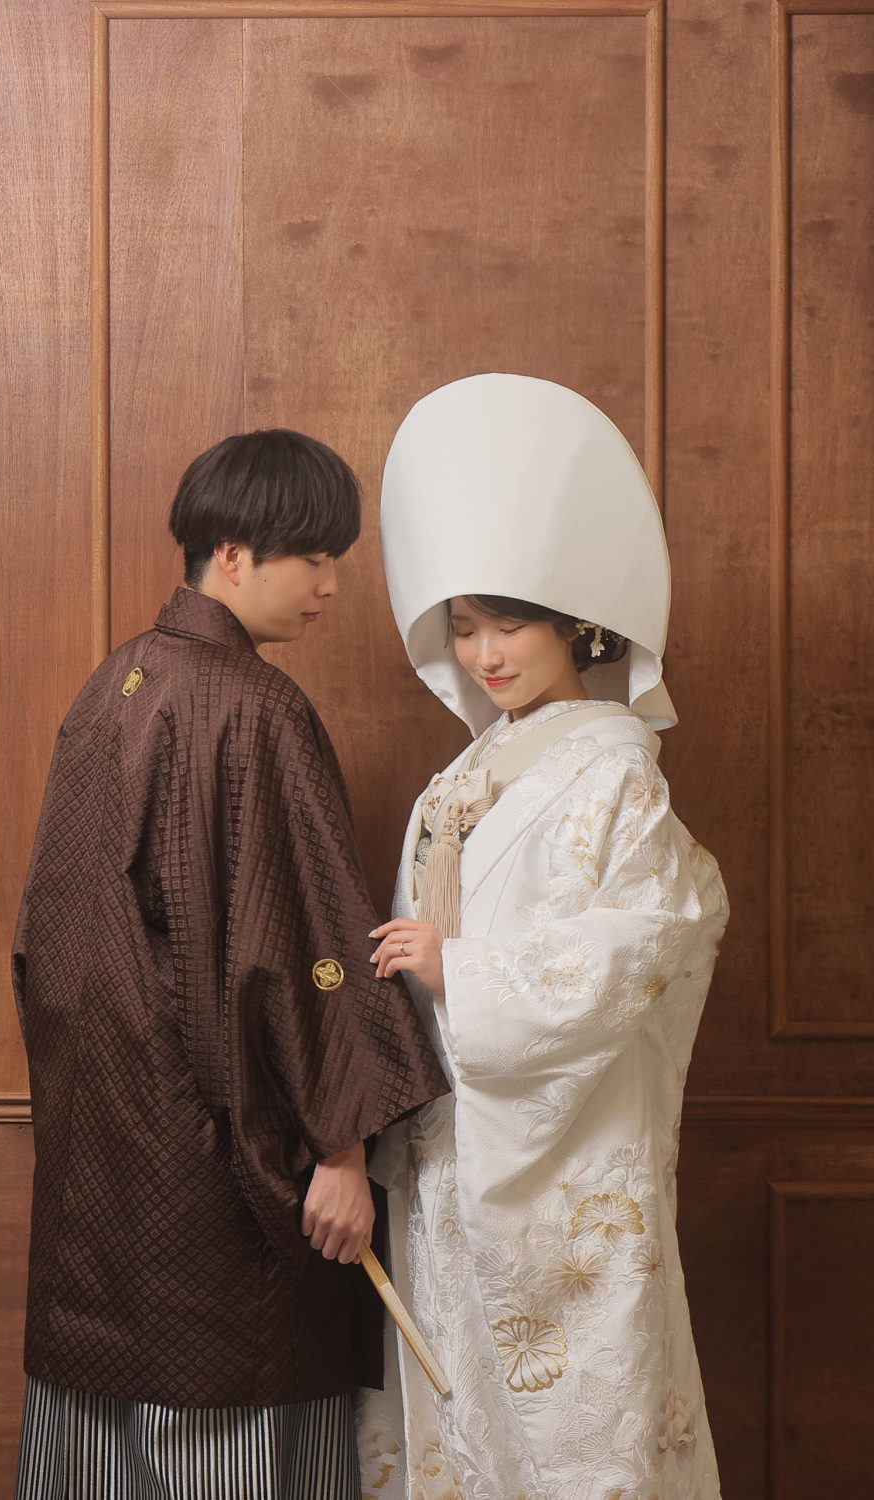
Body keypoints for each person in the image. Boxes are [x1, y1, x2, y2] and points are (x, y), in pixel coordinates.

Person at [11, 428, 448, 1500]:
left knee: (103, 1436)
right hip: (211, 1155)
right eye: (315, 559)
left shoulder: (111, 684)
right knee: (231, 1410)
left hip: (104, 1150)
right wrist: (339, 1146)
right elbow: (294, 948)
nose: (331, 585)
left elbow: (46, 942)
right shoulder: (256, 707)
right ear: (234, 553)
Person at [356, 376, 729, 1499]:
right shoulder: (461, 776)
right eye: (464, 627)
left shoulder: (614, 773)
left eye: (509, 624)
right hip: (451, 1146)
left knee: (575, 1436)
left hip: (561, 1165)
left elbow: (648, 940)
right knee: (457, 1416)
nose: (485, 653)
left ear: (575, 621)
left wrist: (462, 972)